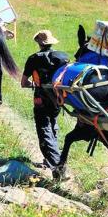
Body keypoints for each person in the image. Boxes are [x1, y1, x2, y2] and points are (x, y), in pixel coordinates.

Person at [21, 30, 69, 171]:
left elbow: (24, 83)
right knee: (53, 124)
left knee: (44, 129)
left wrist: (35, 84)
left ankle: (57, 166)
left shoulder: (33, 58)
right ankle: (53, 159)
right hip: (58, 97)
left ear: (39, 43)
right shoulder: (63, 57)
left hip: (40, 98)